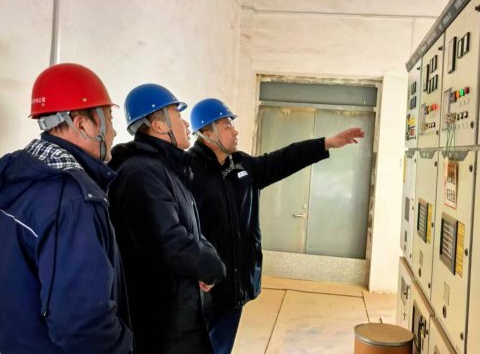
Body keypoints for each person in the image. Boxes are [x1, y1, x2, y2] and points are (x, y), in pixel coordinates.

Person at [186, 98, 365, 353]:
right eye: (227, 126)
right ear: (207, 132)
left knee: (221, 347)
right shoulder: (187, 171)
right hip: (202, 286)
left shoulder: (241, 165)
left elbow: (284, 159)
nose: (235, 131)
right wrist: (194, 268)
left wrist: (325, 143)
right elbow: (176, 228)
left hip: (234, 286)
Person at [0, 63, 133, 353]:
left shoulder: (24, 176)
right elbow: (83, 323)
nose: (113, 132)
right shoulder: (70, 197)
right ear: (81, 124)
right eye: (109, 119)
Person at [108, 84, 226, 353]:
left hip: (178, 313)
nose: (186, 123)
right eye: (177, 114)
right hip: (160, 323)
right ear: (159, 126)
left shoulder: (165, 169)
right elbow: (169, 242)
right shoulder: (141, 173)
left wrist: (206, 261)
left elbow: (191, 231)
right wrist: (212, 267)